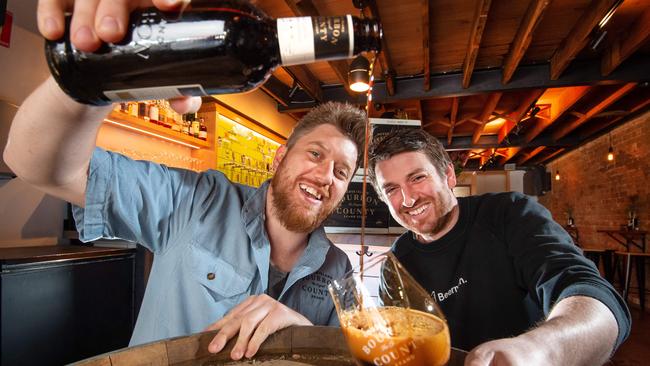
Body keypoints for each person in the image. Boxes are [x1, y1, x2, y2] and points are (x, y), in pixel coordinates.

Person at [3, 1, 368, 361]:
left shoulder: (338, 269)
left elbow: (354, 356)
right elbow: (34, 164)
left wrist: (302, 328)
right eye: (316, 154)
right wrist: (95, 74)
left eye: (341, 172)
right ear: (279, 157)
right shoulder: (196, 201)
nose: (325, 176)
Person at [367, 128, 631, 365]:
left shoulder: (509, 214)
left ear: (448, 175)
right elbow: (398, 345)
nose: (409, 199)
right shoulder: (397, 263)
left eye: (417, 178)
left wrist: (541, 351)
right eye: (391, 189)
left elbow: (590, 295)